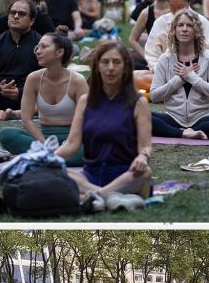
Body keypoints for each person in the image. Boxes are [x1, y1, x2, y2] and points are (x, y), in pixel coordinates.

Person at [56, 41, 153, 209]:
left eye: (116, 62)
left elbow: (145, 147)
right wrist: (46, 159)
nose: (110, 68)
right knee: (55, 171)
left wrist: (142, 157)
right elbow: (71, 145)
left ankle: (94, 197)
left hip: (125, 174)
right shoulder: (85, 101)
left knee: (145, 173)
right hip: (90, 175)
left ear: (125, 67)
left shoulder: (138, 102)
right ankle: (110, 196)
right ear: (97, 66)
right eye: (105, 62)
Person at [0, 30, 89, 162]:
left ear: (59, 52)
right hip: (43, 137)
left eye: (44, 47)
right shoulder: (33, 79)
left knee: (96, 145)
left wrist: (70, 144)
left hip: (73, 138)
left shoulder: (77, 81)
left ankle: (43, 158)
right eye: (37, 47)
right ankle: (55, 158)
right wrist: (45, 143)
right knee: (7, 135)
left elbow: (87, 119)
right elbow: (26, 118)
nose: (38, 51)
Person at [149, 8, 209, 140]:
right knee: (142, 116)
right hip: (174, 118)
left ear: (196, 31)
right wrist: (179, 79)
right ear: (174, 30)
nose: (184, 29)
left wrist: (192, 77)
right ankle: (182, 133)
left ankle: (182, 132)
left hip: (203, 118)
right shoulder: (166, 59)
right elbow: (154, 96)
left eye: (189, 25)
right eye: (180, 25)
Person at [144, 0, 209, 71]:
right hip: (165, 73)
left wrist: (191, 73)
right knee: (137, 76)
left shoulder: (202, 22)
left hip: (197, 74)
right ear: (167, 2)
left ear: (189, 1)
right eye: (173, 7)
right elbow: (151, 54)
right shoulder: (161, 22)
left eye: (181, 7)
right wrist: (160, 71)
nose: (178, 12)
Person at [128, 0, 170, 69]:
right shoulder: (146, 13)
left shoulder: (175, 11)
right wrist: (147, 57)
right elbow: (132, 40)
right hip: (153, 58)